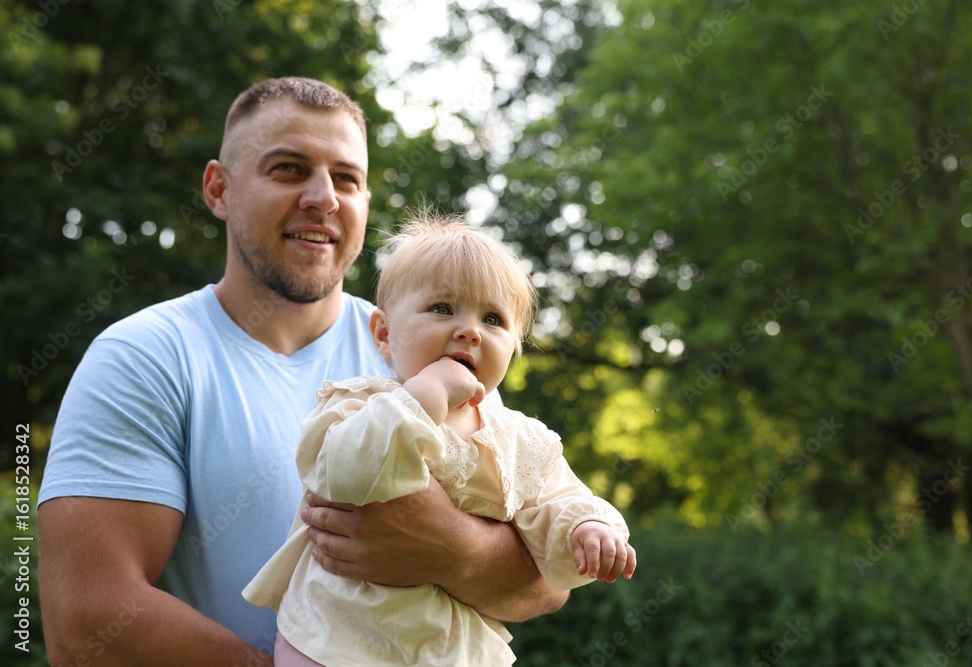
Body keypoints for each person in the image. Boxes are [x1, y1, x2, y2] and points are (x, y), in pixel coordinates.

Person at [37, 77, 567, 667]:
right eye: (289, 169)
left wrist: (453, 552)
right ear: (219, 189)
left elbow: (549, 580)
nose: (324, 197)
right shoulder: (145, 357)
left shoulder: (430, 349)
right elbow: (87, 622)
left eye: (347, 179)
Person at [243, 214, 637, 666]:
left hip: (450, 652)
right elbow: (343, 474)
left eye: (493, 319)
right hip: (337, 639)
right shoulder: (359, 403)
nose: (469, 329)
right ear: (385, 334)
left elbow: (556, 500)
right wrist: (424, 396)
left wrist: (589, 529)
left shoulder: (519, 438)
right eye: (442, 308)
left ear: (514, 348)